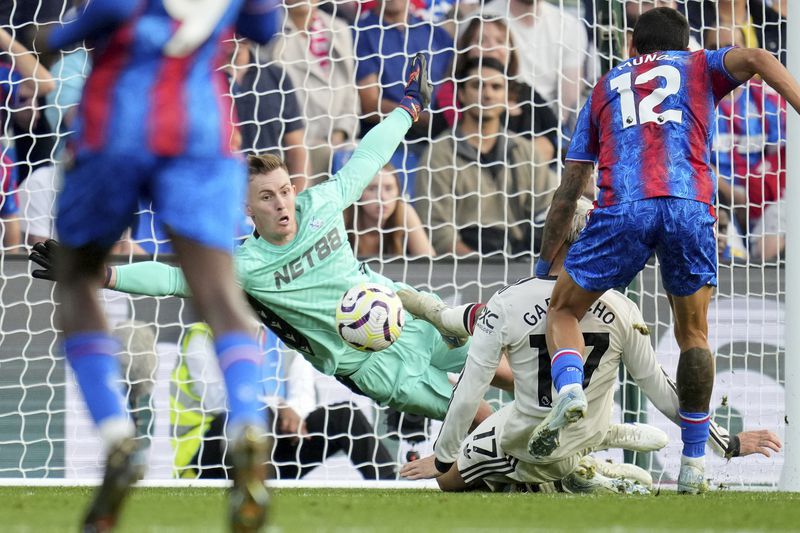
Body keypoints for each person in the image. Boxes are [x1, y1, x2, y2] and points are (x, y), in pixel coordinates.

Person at [30, 55, 511, 425]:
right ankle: (535, 468)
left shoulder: (320, 204)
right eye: (267, 197)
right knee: (475, 414)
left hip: (400, 315)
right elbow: (174, 279)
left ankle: (560, 416)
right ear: (247, 208)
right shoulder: (248, 264)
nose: (282, 203)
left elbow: (367, 157)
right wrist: (101, 272)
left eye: (284, 191)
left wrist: (408, 108)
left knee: (502, 362)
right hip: (366, 364)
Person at [532, 7, 800, 494]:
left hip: (623, 209)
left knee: (563, 311)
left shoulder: (606, 84)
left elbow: (570, 188)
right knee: (694, 334)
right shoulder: (700, 66)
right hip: (688, 205)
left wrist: (544, 258)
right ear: (687, 43)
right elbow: (760, 55)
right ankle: (694, 465)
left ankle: (569, 386)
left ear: (632, 45)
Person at [42, 1, 281, 530]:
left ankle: (114, 435)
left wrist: (46, 36)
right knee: (220, 292)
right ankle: (245, 417)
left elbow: (61, 41)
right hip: (198, 128)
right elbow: (266, 27)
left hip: (115, 128)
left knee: (78, 282)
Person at [398, 199, 782, 492]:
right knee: (566, 424)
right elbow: (664, 391)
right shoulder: (622, 307)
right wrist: (726, 443)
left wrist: (443, 457)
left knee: (448, 481)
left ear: (554, 236)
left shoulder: (507, 303)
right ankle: (583, 465)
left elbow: (470, 387)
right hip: (586, 435)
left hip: (524, 440)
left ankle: (557, 475)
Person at [172, 323, 395, 480]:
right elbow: (218, 400)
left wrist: (291, 413)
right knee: (257, 415)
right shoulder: (203, 335)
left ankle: (390, 485)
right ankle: (257, 489)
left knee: (344, 416)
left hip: (275, 450)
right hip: (207, 458)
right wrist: (279, 407)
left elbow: (304, 393)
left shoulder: (282, 333)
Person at [417, 56, 557, 257]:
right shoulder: (438, 155)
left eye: (496, 87)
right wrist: (482, 270)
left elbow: (551, 207)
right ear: (462, 94)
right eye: (477, 85)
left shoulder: (524, 150)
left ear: (507, 96)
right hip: (460, 271)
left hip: (519, 262)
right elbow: (439, 234)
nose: (487, 94)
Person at [343, 164, 435, 258]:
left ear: (398, 192)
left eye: (388, 188)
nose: (382, 197)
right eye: (372, 189)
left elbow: (429, 263)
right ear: (358, 194)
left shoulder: (404, 212)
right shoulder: (342, 218)